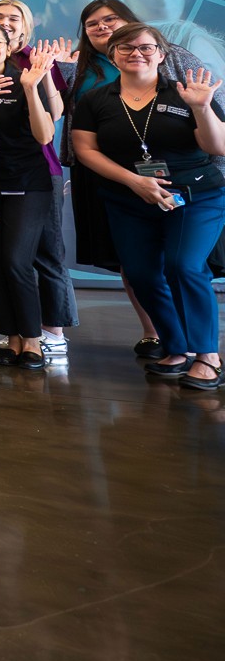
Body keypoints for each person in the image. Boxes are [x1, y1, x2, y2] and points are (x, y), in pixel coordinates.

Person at [71, 23, 225, 390]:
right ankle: (176, 348)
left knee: (184, 266)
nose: (135, 53)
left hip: (195, 196)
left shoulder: (186, 92)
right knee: (141, 273)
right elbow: (85, 150)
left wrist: (202, 108)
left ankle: (208, 356)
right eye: (125, 48)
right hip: (129, 198)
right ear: (113, 55)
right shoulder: (96, 100)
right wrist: (134, 181)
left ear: (161, 53)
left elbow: (217, 147)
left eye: (145, 47)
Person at [0, 24, 62, 368]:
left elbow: (44, 135)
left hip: (27, 183)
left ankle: (32, 339)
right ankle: (12, 336)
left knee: (16, 261)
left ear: (8, 48)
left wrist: (31, 89)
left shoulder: (25, 79)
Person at [0, 0, 76, 359]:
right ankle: (16, 332)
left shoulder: (36, 59)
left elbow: (56, 114)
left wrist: (46, 72)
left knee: (46, 253)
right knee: (2, 259)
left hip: (38, 171)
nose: (5, 23)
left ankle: (53, 331)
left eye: (14, 18)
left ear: (25, 27)